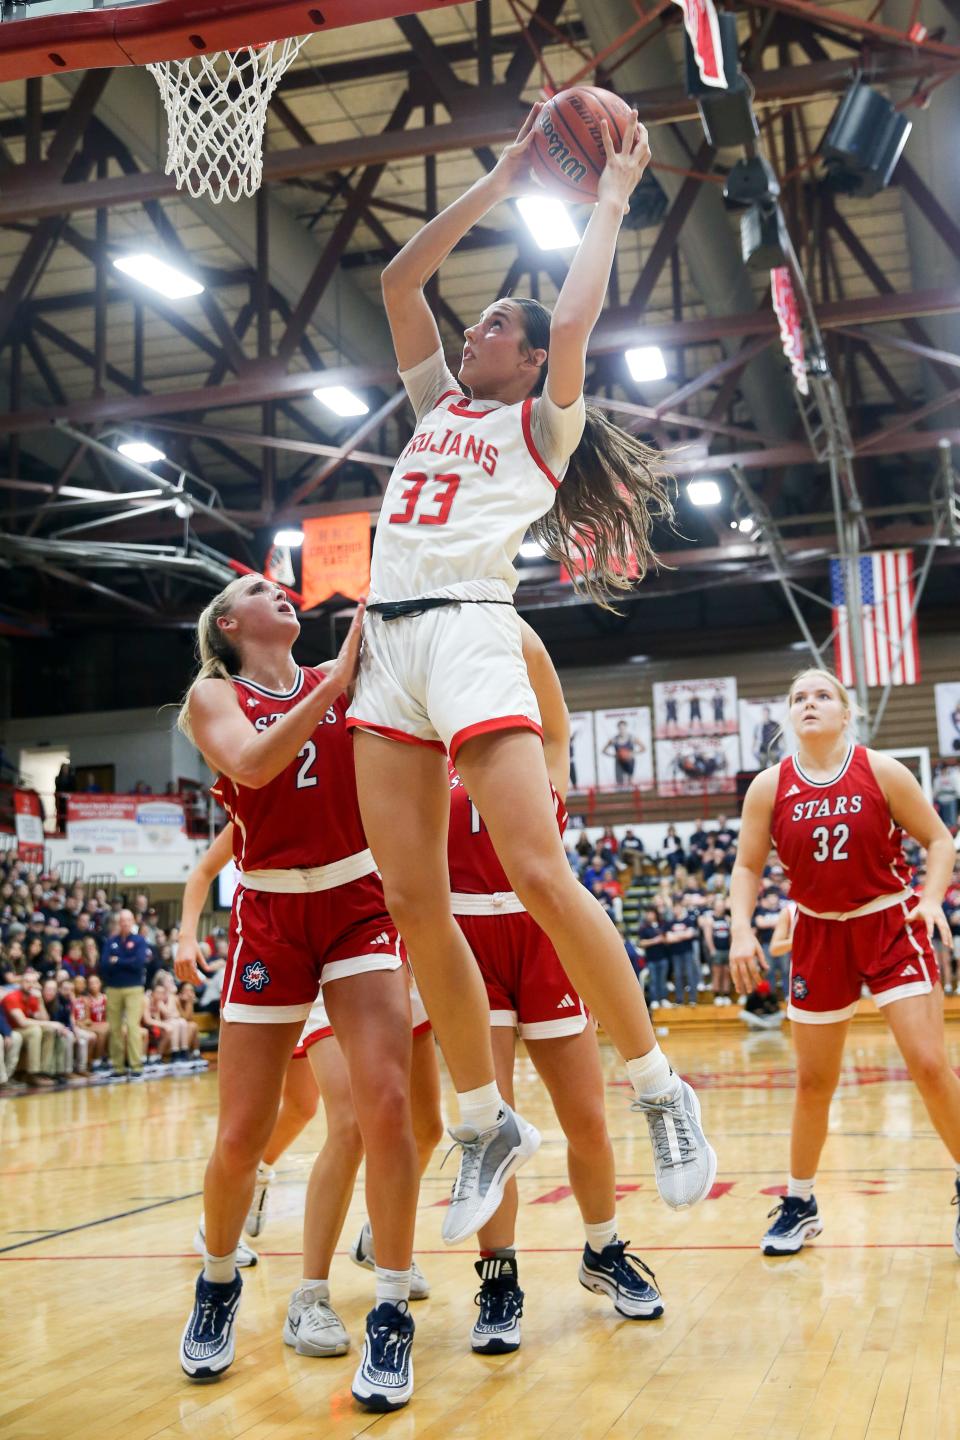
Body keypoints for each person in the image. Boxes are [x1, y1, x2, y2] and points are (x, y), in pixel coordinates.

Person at [345, 103, 714, 1225]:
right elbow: (400, 285)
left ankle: (659, 1086)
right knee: (416, 900)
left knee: (536, 874)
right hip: (385, 641)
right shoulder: (433, 408)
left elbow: (579, 311)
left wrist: (604, 204)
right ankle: (483, 1119)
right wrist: (503, 177)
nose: (475, 332)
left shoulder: (542, 429)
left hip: (468, 627)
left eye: (499, 323)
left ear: (536, 356)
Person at [174, 574, 424, 1411]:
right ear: (228, 622)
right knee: (244, 1132)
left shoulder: (341, 679)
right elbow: (251, 760)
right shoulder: (214, 693)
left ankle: (390, 1308)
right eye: (255, 589)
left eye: (280, 588)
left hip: (357, 901)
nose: (276, 593)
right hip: (271, 911)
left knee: (385, 1105)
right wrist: (340, 675)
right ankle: (216, 1284)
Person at [449, 621, 663, 1351]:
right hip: (467, 942)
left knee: (588, 1119)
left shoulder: (540, 752)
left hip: (544, 936)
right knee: (491, 1130)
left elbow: (549, 692)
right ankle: (498, 1279)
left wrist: (485, 607)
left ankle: (602, 1250)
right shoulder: (429, 757)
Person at [730, 668, 957, 1257]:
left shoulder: (881, 770)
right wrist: (739, 932)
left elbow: (939, 840)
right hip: (818, 936)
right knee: (813, 1081)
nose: (809, 703)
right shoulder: (768, 787)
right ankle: (800, 1202)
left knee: (930, 1064)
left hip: (888, 923)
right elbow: (748, 867)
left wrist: (930, 900)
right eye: (798, 696)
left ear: (845, 711)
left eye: (821, 695)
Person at [100, 908, 149, 1080]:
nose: (124, 923)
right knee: (114, 1028)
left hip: (134, 988)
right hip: (113, 988)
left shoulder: (139, 941)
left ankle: (136, 1066)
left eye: (128, 920)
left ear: (133, 921)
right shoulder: (111, 941)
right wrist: (124, 961)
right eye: (122, 920)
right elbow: (104, 963)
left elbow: (138, 963)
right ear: (118, 922)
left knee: (132, 1027)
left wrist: (118, 960)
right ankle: (118, 1067)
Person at [700, 896, 733, 1006]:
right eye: (718, 905)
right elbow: (708, 936)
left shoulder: (727, 919)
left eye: (722, 905)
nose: (720, 907)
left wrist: (732, 948)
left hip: (727, 949)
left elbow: (731, 936)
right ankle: (717, 995)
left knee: (726, 973)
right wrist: (712, 949)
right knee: (717, 973)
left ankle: (726, 995)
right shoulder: (710, 919)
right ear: (714, 906)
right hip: (716, 950)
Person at [603, 720, 644, 788]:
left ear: (626, 728)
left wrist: (632, 753)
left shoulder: (631, 738)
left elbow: (643, 748)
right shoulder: (614, 739)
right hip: (619, 762)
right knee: (620, 783)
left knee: (630, 782)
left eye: (623, 728)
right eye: (620, 728)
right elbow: (604, 750)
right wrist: (614, 755)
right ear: (618, 728)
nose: (622, 730)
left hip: (629, 762)